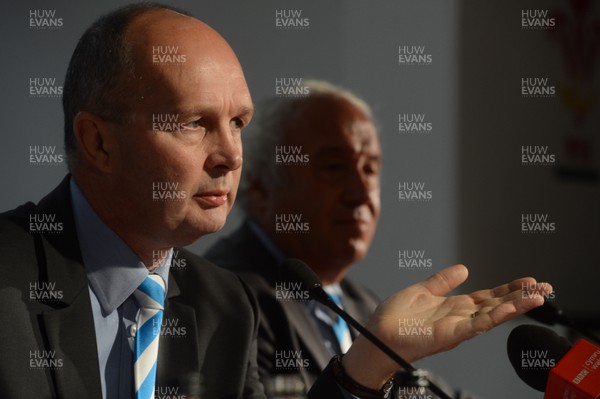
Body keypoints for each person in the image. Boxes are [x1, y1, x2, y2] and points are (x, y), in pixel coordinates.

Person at [0, 3, 552, 399]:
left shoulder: (222, 302)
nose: (230, 156)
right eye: (194, 124)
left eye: (238, 123)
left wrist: (369, 361)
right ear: (98, 141)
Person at [204, 81, 472, 397]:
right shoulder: (226, 297)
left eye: (370, 169)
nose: (361, 192)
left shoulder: (361, 304)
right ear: (262, 188)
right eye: (334, 167)